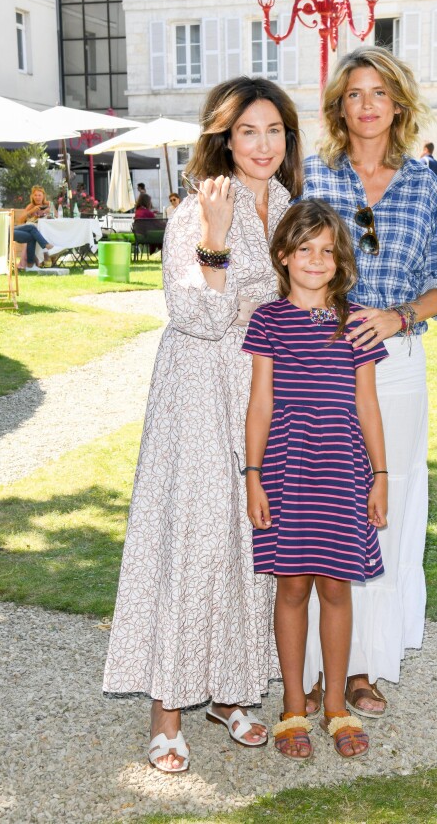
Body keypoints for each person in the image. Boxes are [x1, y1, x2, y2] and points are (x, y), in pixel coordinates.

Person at [103, 76, 303, 773]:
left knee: (249, 537)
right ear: (224, 136)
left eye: (274, 130)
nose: (262, 144)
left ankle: (229, 689)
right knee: (191, 535)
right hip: (196, 387)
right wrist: (216, 242)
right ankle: (166, 710)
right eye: (248, 131)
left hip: (259, 389)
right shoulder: (198, 208)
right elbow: (199, 315)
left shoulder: (287, 206)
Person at [302, 45, 437, 717]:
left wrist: (398, 316)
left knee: (384, 517)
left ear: (398, 103)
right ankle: (312, 668)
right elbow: (292, 264)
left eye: (378, 93)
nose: (366, 106)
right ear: (340, 107)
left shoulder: (424, 181)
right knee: (320, 516)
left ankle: (367, 665)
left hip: (397, 372)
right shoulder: (313, 175)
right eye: (354, 94)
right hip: (323, 364)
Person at [243, 199, 388, 761]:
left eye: (327, 250)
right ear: (284, 255)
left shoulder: (358, 324)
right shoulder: (267, 320)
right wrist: (253, 477)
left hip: (343, 473)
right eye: (304, 248)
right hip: (284, 471)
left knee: (335, 587)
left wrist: (379, 477)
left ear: (340, 259)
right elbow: (260, 404)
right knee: (293, 587)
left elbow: (369, 408)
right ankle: (291, 707)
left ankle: (334, 706)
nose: (316, 259)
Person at [14, 186, 54, 270]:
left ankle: (32, 263)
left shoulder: (48, 204)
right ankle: (39, 258)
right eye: (35, 195)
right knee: (32, 230)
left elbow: (57, 216)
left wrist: (50, 212)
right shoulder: (31, 206)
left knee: (34, 234)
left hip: (46, 228)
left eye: (39, 195)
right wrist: (31, 211)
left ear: (43, 196)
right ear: (32, 196)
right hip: (30, 228)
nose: (37, 197)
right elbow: (20, 220)